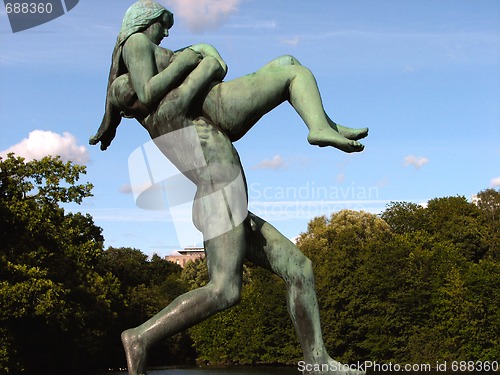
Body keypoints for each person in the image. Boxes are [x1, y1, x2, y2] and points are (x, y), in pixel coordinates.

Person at [90, 1, 367, 374]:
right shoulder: (162, 112)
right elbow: (202, 70)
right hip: (219, 195)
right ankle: (140, 336)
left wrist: (197, 62)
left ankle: (317, 361)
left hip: (228, 197)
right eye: (162, 41)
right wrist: (197, 59)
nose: (166, 46)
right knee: (224, 291)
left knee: (300, 268)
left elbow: (201, 78)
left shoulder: (173, 107)